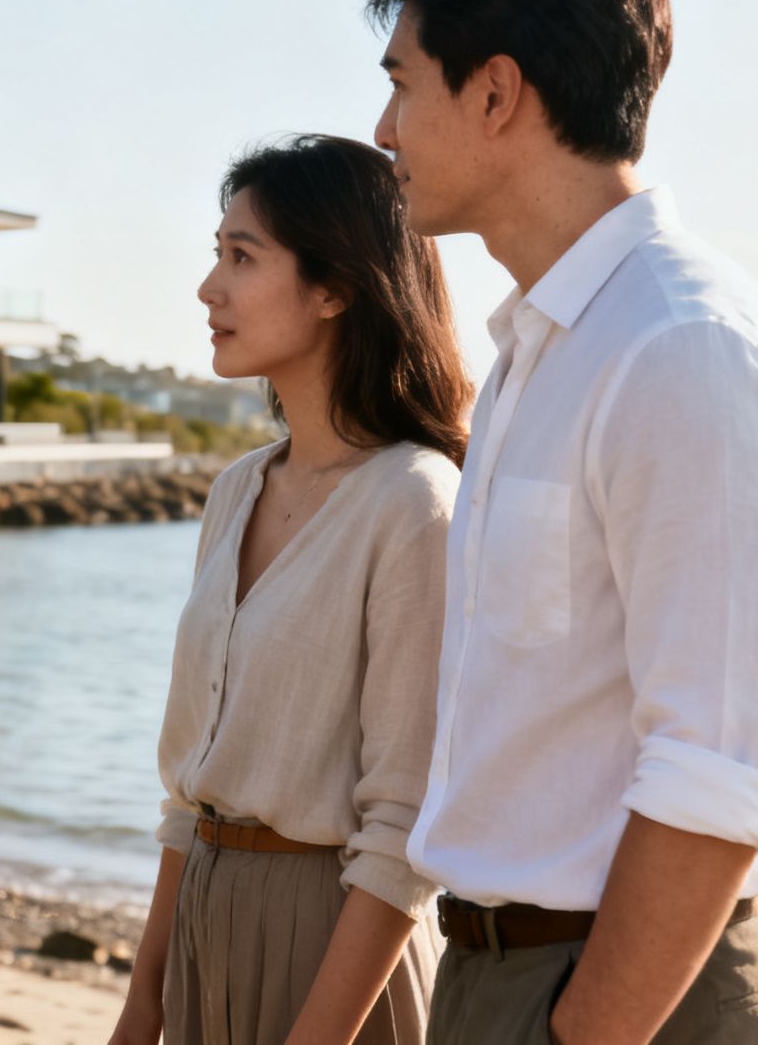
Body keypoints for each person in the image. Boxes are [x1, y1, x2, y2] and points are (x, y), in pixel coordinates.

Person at [364, 0, 758, 1045]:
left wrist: (582, 1030)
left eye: (401, 81)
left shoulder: (680, 346)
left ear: (493, 93)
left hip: (624, 999)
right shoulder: (542, 349)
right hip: (503, 975)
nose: (380, 127)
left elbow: (721, 769)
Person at [110, 135, 474, 1045]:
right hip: (203, 925)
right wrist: (140, 1008)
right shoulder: (237, 489)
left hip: (338, 954)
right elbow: (187, 797)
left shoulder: (416, 502)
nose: (209, 288)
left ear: (334, 287)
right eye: (216, 254)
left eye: (242, 256)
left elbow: (405, 826)